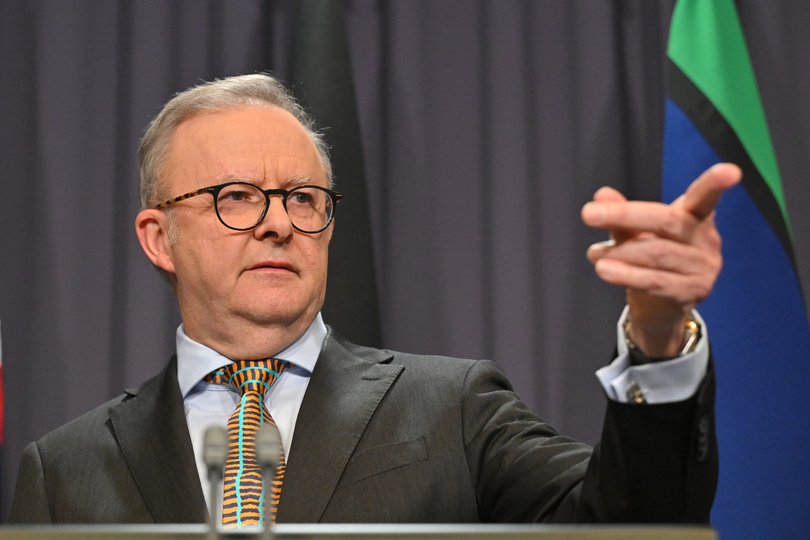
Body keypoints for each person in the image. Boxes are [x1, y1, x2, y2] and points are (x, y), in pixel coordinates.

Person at [8, 73, 738, 524]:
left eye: (301, 197)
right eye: (235, 197)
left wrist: (657, 339)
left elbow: (631, 524)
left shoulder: (454, 409)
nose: (276, 222)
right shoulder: (63, 471)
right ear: (158, 237)